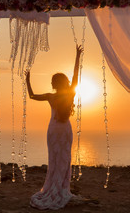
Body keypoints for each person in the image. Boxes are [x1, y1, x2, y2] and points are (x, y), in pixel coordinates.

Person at [26, 45, 83, 210]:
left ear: (53, 84)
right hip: (65, 130)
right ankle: (62, 188)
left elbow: (31, 95)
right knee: (64, 159)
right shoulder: (70, 93)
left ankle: (52, 187)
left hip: (53, 130)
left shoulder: (51, 96)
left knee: (54, 159)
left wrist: (27, 80)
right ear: (65, 83)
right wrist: (77, 55)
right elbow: (75, 76)